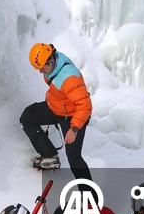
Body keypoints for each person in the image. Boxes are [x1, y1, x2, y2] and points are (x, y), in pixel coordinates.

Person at [20, 43, 92, 180]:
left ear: (50, 61)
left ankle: (90, 198)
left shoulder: (69, 78)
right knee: (28, 117)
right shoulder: (53, 65)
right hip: (57, 108)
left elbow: (85, 105)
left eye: (42, 68)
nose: (41, 72)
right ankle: (49, 155)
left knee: (74, 159)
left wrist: (74, 129)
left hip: (73, 117)